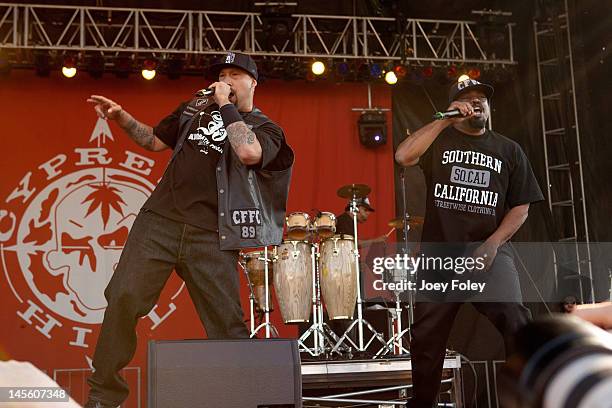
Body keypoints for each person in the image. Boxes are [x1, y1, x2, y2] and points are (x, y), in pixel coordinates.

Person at [84, 52, 294, 408]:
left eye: (235, 75)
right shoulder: (192, 108)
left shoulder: (265, 128)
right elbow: (153, 141)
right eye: (222, 74)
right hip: (160, 222)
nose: (226, 80)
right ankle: (104, 397)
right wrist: (121, 118)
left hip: (212, 234)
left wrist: (226, 105)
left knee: (227, 324)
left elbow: (247, 152)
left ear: (253, 83)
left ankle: (244, 399)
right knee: (122, 298)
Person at [395, 78, 544, 407]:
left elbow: (521, 207)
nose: (477, 103)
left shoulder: (509, 150)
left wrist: (493, 243)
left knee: (517, 323)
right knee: (426, 340)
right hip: (441, 256)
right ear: (456, 108)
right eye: (468, 99)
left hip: (488, 252)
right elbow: (404, 156)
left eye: (482, 100)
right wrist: (443, 118)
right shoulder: (441, 139)